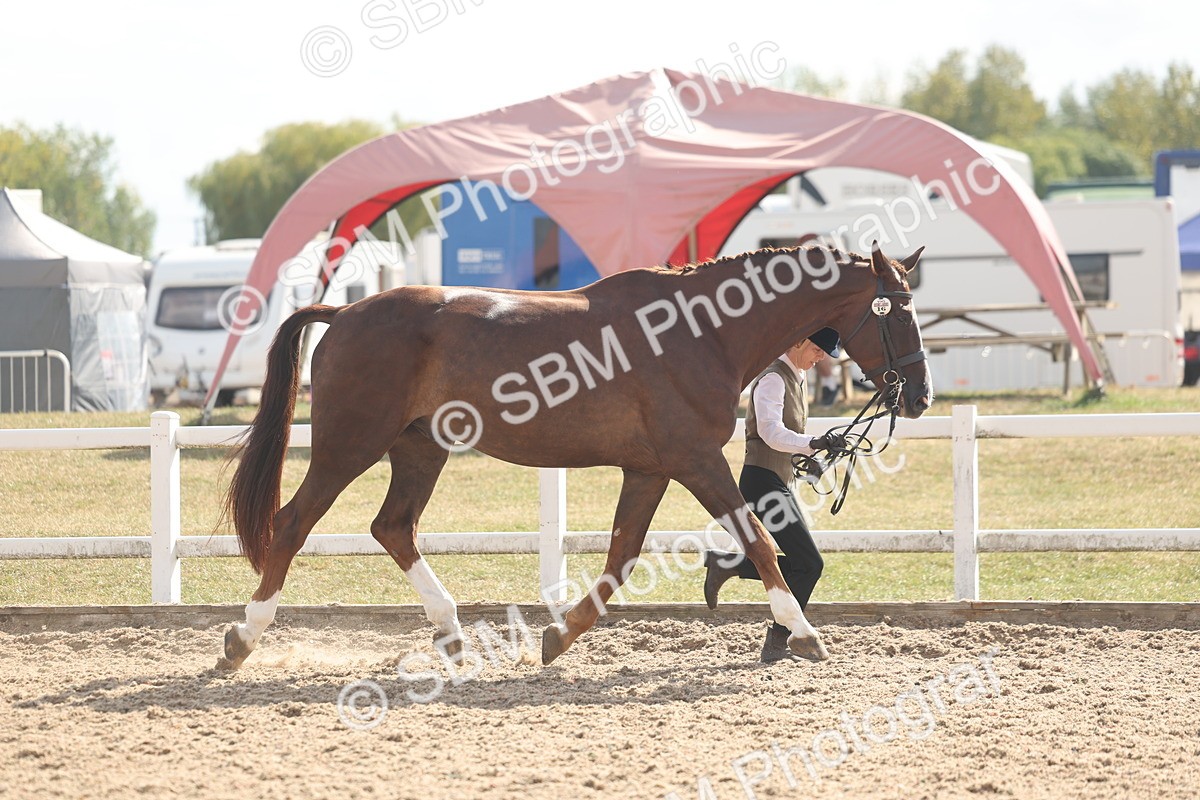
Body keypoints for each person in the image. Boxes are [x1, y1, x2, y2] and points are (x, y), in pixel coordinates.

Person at [703, 327, 845, 663]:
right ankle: (780, 640)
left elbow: (788, 437)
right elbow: (769, 432)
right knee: (810, 564)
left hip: (777, 480)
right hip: (761, 483)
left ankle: (729, 566)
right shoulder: (772, 378)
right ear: (797, 342)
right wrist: (812, 442)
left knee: (803, 564)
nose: (821, 357)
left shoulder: (796, 376)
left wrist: (813, 458)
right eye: (817, 350)